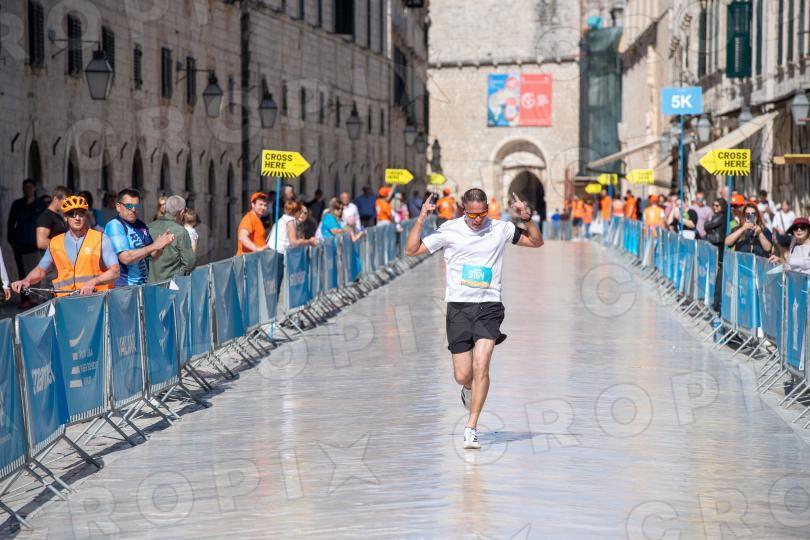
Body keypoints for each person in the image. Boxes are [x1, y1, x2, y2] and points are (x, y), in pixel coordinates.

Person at [405, 189, 543, 449]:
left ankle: (471, 427)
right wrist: (421, 218)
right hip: (458, 307)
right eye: (472, 215)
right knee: (462, 374)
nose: (478, 219)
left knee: (482, 366)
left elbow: (536, 242)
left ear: (487, 209)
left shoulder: (500, 228)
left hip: (489, 305)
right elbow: (412, 250)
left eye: (482, 214)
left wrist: (527, 219)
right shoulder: (449, 230)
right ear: (463, 211)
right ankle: (468, 388)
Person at [12, 195, 119, 297]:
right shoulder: (55, 242)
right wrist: (26, 280)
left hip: (96, 299)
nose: (77, 218)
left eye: (81, 214)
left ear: (86, 216)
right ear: (65, 217)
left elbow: (115, 271)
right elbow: (41, 270)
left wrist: (93, 282)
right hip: (65, 301)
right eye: (72, 214)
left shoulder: (101, 239)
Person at [105, 188, 174, 287]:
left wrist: (162, 245)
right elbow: (125, 258)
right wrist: (155, 246)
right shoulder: (115, 225)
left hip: (142, 286)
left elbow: (153, 256)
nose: (133, 210)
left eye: (136, 206)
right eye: (129, 206)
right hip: (123, 288)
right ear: (118, 207)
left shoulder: (140, 225)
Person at [7, 179, 44, 307]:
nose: (27, 189)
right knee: (22, 272)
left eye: (30, 187)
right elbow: (11, 223)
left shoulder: (40, 204)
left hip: (35, 244)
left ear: (34, 188)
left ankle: (35, 297)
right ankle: (25, 299)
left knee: (35, 271)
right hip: (20, 243)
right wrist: (12, 241)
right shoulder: (17, 204)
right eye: (25, 187)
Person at [148, 195, 195, 282]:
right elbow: (189, 262)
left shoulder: (148, 227)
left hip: (149, 284)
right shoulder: (181, 232)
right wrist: (177, 276)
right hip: (171, 285)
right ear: (182, 212)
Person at [36, 185, 69, 251]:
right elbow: (41, 243)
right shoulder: (46, 217)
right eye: (65, 201)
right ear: (56, 199)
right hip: (50, 256)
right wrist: (63, 246)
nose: (67, 204)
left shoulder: (58, 216)